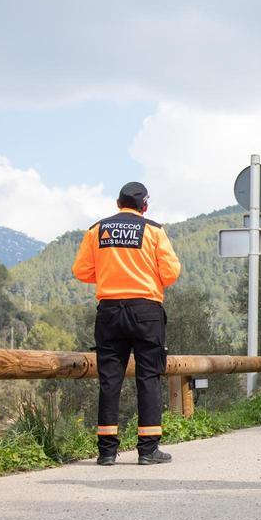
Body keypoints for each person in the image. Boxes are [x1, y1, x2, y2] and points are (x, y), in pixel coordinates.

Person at [72, 181, 181, 465]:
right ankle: (147, 450)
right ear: (144, 206)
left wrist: (111, 274)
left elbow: (81, 270)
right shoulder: (154, 231)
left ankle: (107, 452)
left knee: (110, 380)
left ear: (117, 203)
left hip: (109, 311)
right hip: (146, 311)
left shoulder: (97, 230)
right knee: (148, 378)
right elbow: (170, 273)